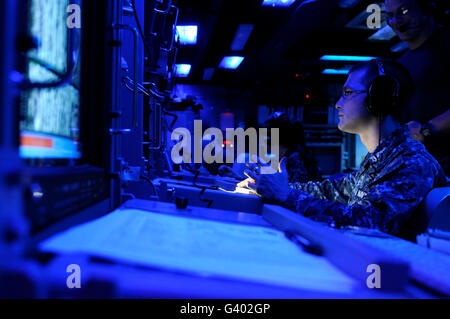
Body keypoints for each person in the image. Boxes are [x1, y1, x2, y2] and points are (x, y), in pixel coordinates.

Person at [239, 59, 448, 237]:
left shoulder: (411, 162)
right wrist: (268, 185)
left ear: (379, 97)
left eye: (347, 93)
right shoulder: (382, 159)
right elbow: (330, 191)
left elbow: (371, 223)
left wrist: (286, 195)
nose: (338, 103)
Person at [385, 0, 450, 175]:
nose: (397, 21)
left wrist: (428, 129)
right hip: (423, 168)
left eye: (403, 11)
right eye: (390, 16)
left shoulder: (445, 43)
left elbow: (421, 130)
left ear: (426, 9)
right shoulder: (402, 62)